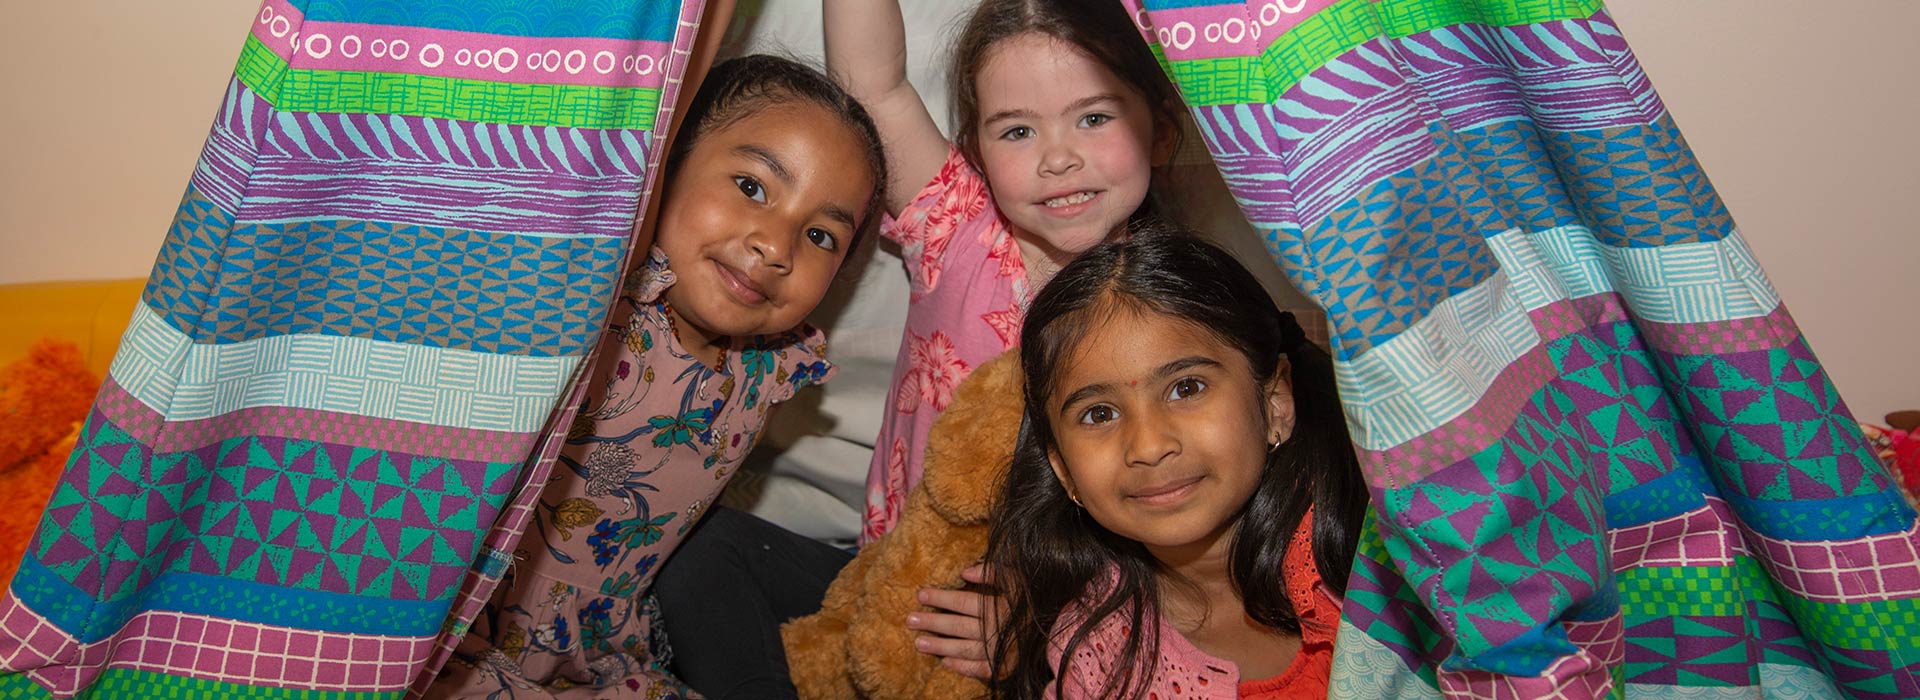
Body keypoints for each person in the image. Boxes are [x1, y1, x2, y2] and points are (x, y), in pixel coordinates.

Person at [655, 1, 1187, 691]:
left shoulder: (1179, 307)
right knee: (699, 556)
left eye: (1094, 117)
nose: (1059, 157)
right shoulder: (957, 225)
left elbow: (1180, 522)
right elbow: (872, 83)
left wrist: (1050, 628)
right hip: (877, 577)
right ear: (976, 148)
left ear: (1162, 130)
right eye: (1018, 129)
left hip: (1033, 619)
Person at [424, 53, 887, 699]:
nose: (776, 247)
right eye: (752, 186)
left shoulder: (770, 372)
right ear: (665, 166)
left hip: (608, 653)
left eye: (818, 235)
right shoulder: (592, 307)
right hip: (453, 641)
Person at [986, 228, 1369, 699]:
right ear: (1064, 472)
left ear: (1274, 402)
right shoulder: (1095, 661)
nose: (1148, 446)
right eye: (1099, 414)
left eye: (1186, 388)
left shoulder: (1383, 558)